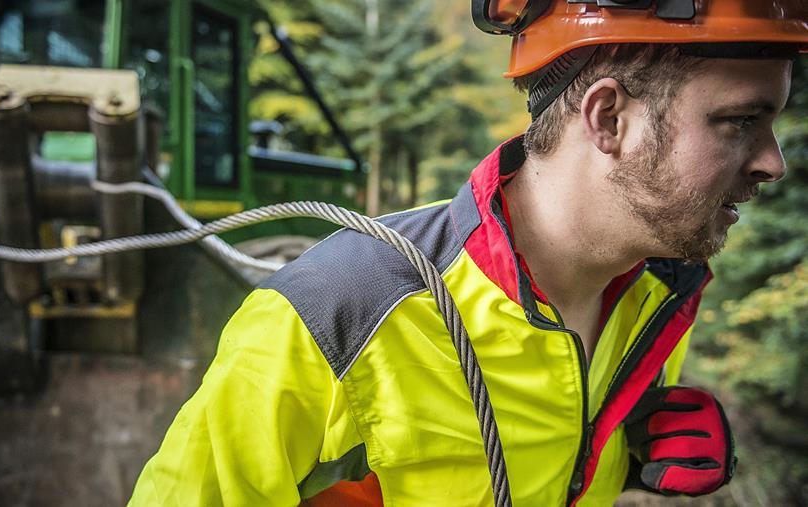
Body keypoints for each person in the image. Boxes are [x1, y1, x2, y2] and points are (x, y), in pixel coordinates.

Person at [129, 1, 807, 505]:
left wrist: (621, 448)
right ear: (607, 117)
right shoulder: (342, 315)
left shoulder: (656, 291)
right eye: (740, 121)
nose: (772, 162)